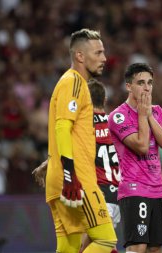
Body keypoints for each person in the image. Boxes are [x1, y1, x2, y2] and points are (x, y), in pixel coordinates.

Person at [45, 28, 116, 253]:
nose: (104, 58)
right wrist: (69, 175)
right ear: (80, 56)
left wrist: (54, 164)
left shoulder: (70, 83)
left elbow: (67, 133)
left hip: (62, 177)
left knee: (68, 248)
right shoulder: (74, 82)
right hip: (78, 180)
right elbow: (62, 127)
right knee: (106, 240)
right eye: (98, 52)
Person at [33, 79, 121, 253]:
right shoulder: (115, 125)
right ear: (104, 101)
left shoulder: (85, 124)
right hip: (116, 196)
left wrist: (47, 164)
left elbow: (72, 149)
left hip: (95, 192)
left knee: (92, 244)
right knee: (103, 244)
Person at [108, 63, 162, 253]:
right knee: (137, 247)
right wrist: (143, 116)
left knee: (155, 249)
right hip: (134, 189)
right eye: (141, 83)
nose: (146, 88)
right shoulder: (118, 116)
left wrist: (149, 116)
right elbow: (142, 146)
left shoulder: (157, 111)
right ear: (128, 86)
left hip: (158, 189)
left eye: (150, 83)